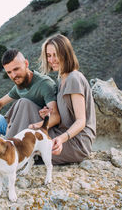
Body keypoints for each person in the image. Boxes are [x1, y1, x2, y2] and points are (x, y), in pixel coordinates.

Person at [30, 34, 96, 164]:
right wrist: (48, 113)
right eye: (49, 55)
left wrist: (61, 139)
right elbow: (65, 115)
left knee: (30, 144)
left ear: (66, 54)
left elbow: (81, 121)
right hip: (64, 134)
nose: (51, 59)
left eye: (56, 55)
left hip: (77, 142)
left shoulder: (74, 78)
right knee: (27, 107)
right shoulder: (61, 80)